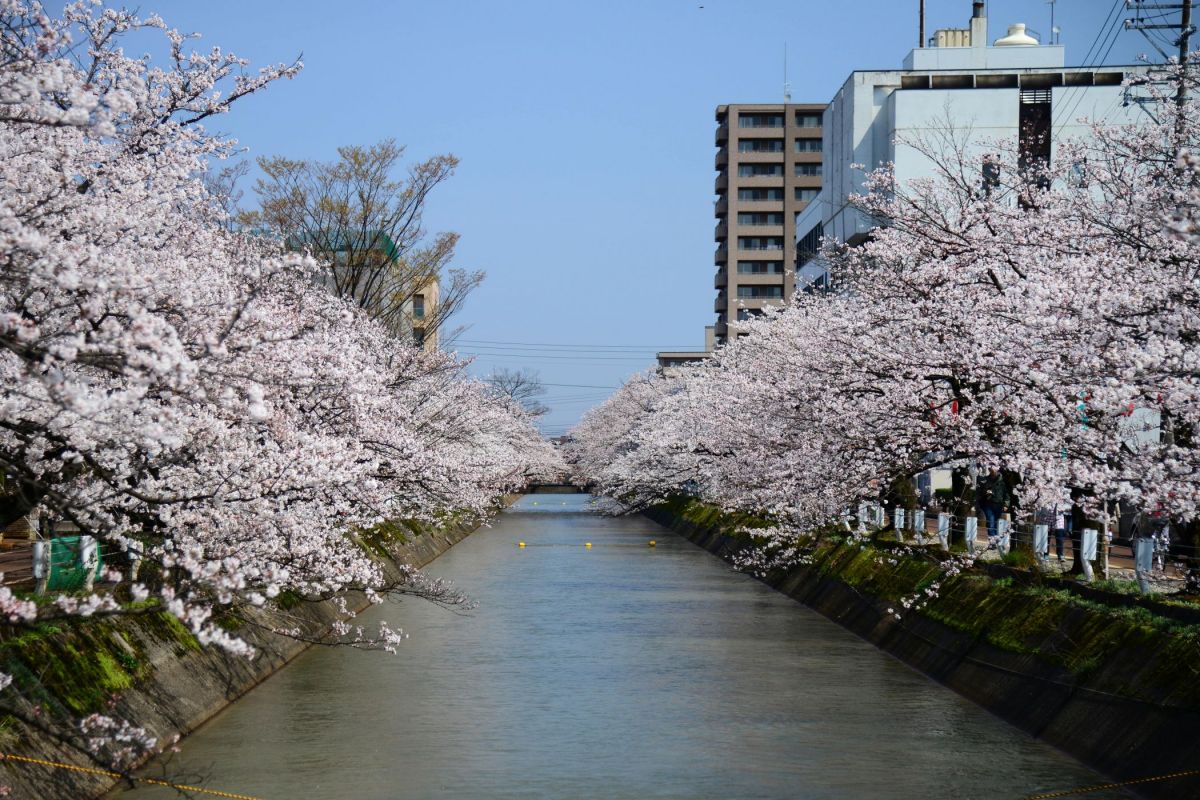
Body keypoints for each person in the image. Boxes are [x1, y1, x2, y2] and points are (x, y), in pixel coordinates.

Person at [977, 469, 1009, 544]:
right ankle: (993, 542)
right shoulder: (985, 480)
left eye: (994, 469)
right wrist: (986, 492)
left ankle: (995, 540)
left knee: (994, 523)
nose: (992, 471)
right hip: (988, 504)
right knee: (991, 522)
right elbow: (980, 491)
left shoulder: (1003, 481)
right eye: (990, 469)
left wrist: (1006, 504)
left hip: (998, 505)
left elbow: (1006, 494)